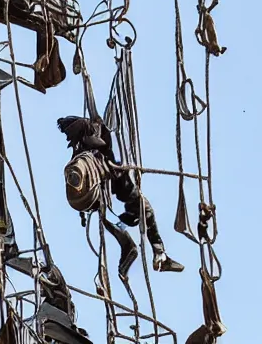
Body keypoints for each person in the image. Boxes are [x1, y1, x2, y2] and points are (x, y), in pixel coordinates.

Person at [56, 115, 183, 278]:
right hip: (117, 185)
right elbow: (99, 147)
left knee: (116, 217)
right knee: (143, 210)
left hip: (110, 189)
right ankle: (157, 253)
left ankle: (133, 247)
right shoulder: (87, 149)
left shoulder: (84, 149)